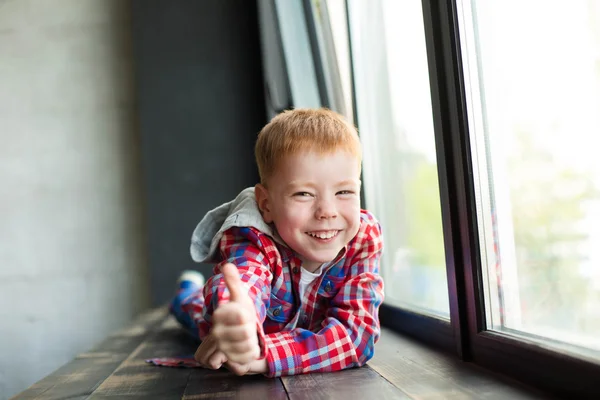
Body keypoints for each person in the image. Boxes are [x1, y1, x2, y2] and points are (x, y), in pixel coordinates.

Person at [170, 108, 384, 377]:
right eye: (304, 194)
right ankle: (187, 289)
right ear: (266, 204)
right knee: (194, 312)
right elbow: (245, 279)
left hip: (273, 344)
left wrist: (261, 356)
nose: (327, 211)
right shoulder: (253, 237)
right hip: (238, 328)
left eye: (344, 191)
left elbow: (357, 338)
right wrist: (240, 317)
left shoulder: (362, 239)